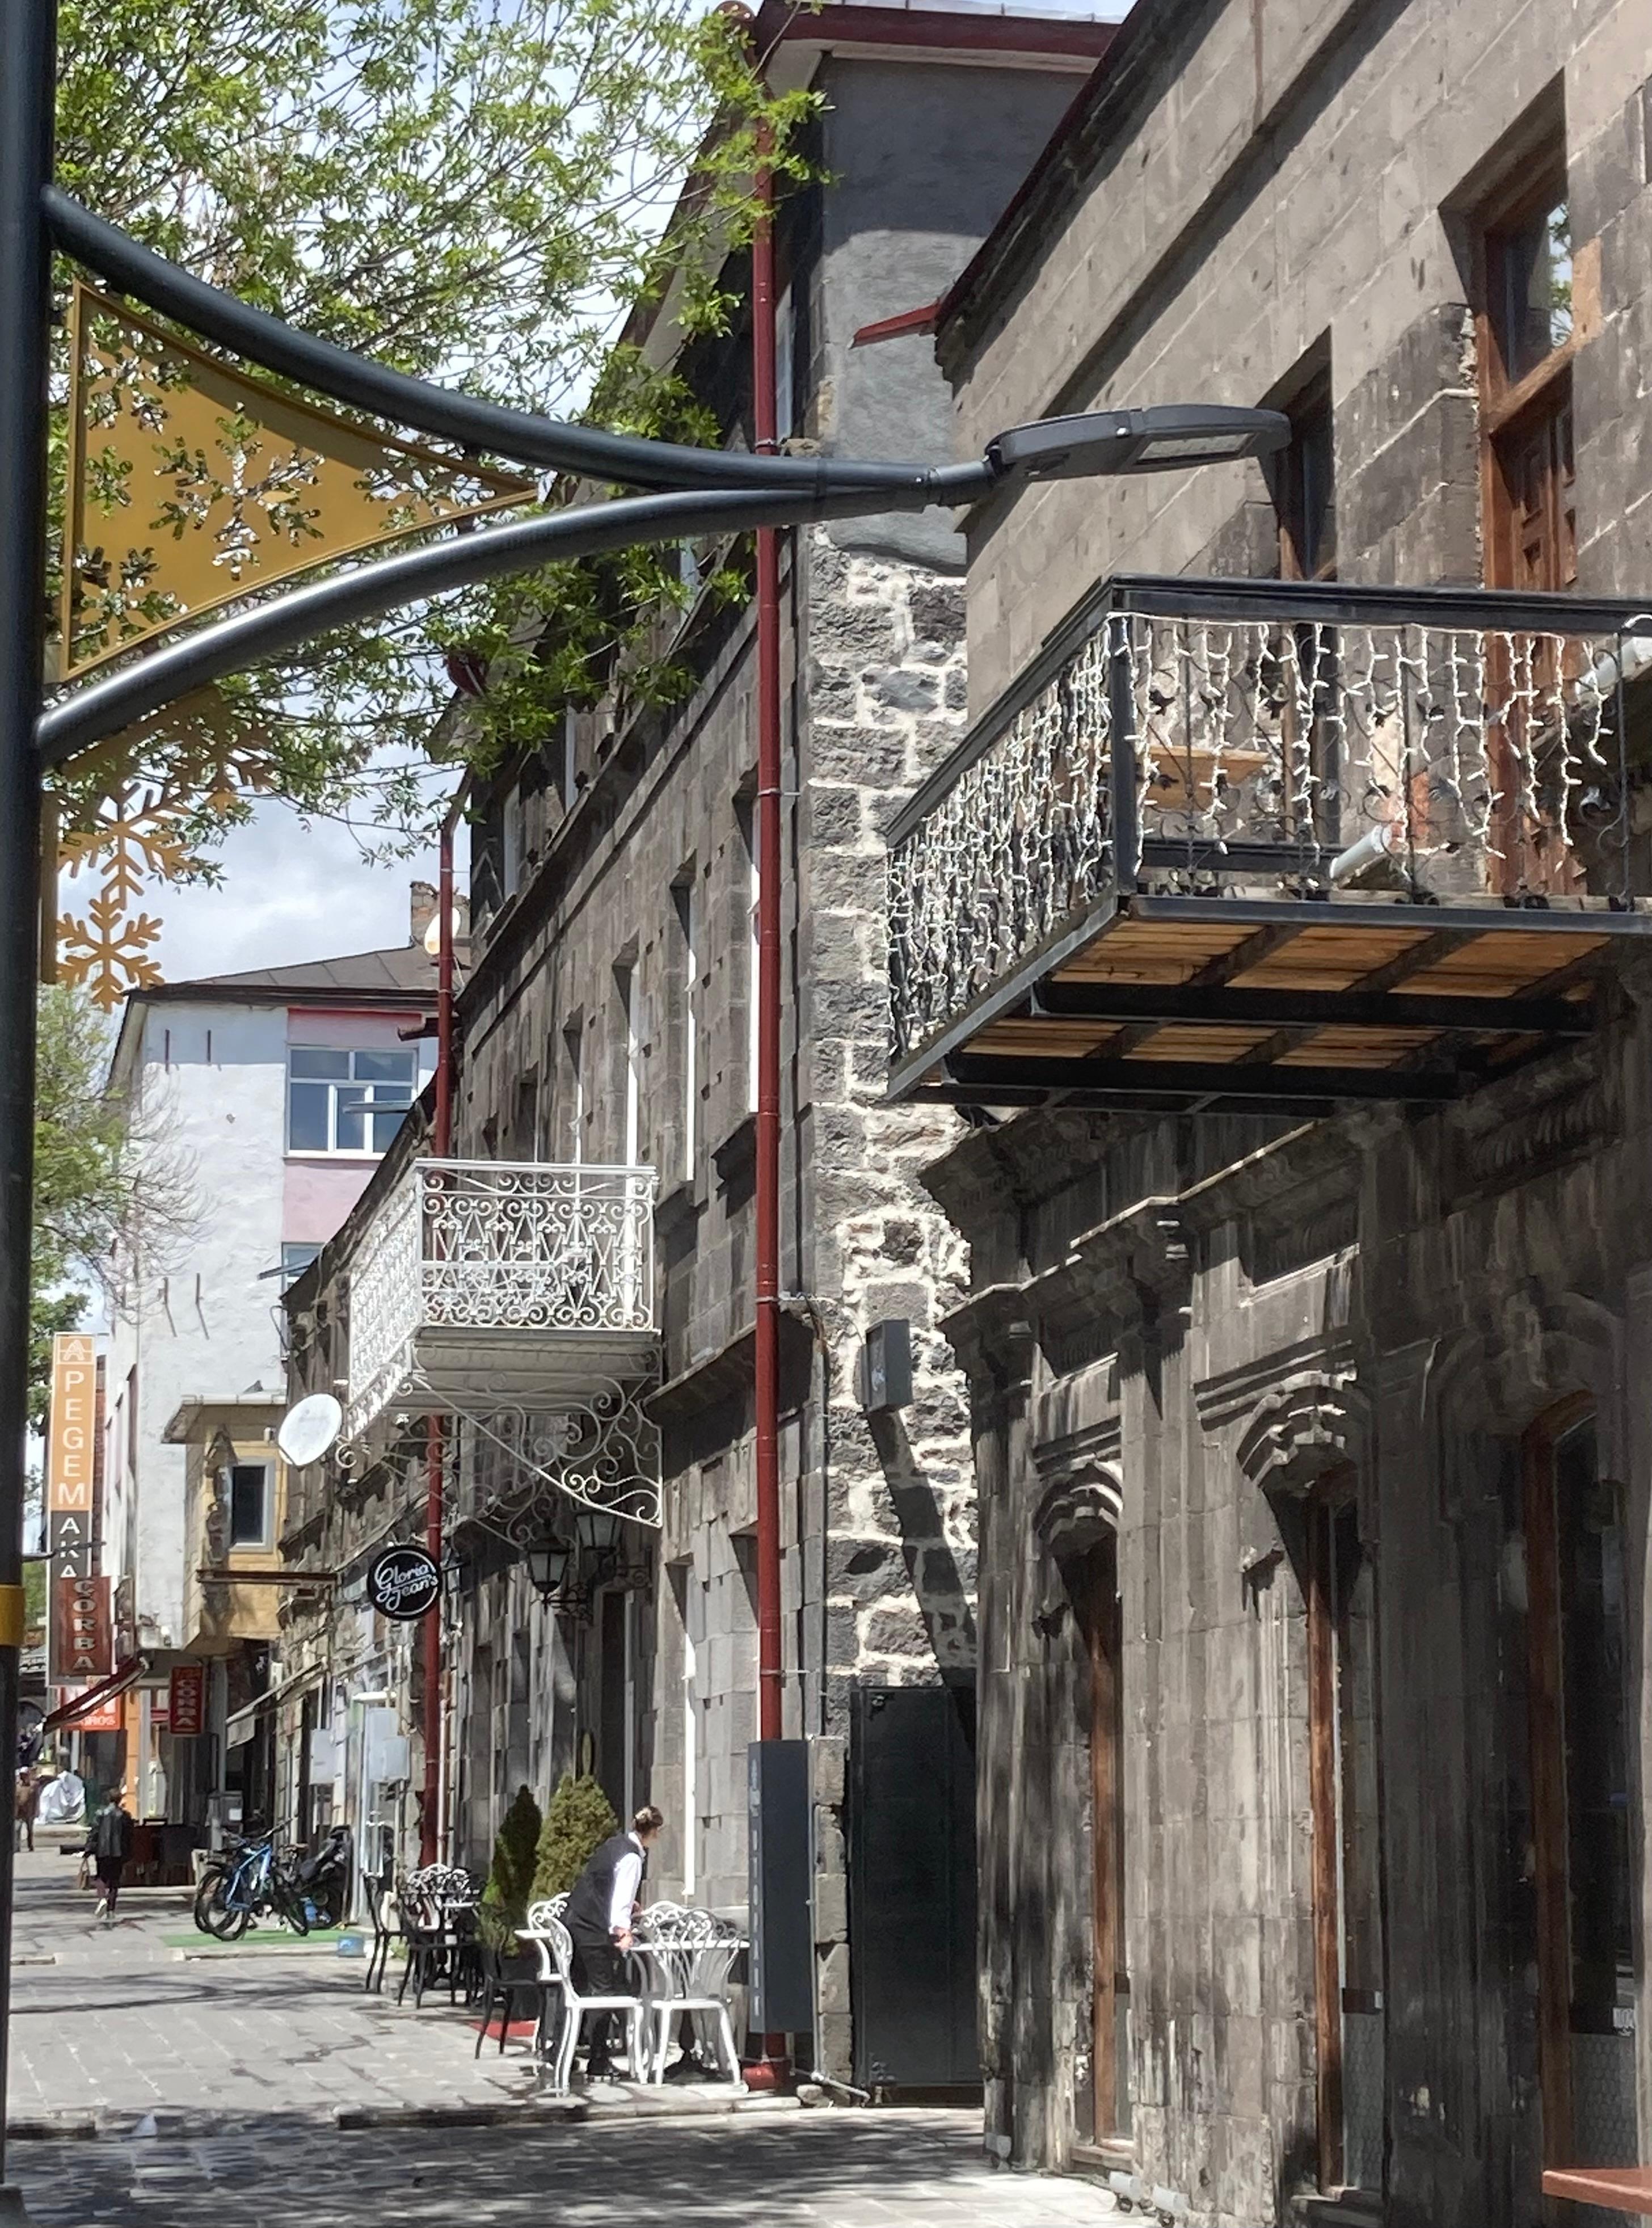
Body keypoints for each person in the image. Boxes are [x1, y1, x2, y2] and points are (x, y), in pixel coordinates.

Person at [562, 1804, 664, 2082]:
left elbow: (604, 1883)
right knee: (604, 1992)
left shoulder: (615, 1844)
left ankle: (564, 2053)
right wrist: (624, 1932)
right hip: (592, 1928)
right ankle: (598, 2058)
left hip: (576, 1920)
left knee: (580, 1988)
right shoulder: (632, 1858)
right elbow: (619, 1900)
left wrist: (625, 1906)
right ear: (654, 1832)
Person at [84, 1791, 134, 1926]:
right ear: (120, 1800)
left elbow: (94, 1832)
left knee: (101, 1878)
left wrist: (88, 1849)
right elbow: (129, 1837)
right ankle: (111, 1909)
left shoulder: (100, 1814)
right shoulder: (125, 1816)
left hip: (102, 1852)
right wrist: (129, 1853)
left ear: (108, 1799)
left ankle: (102, 1899)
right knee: (115, 1882)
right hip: (118, 1853)